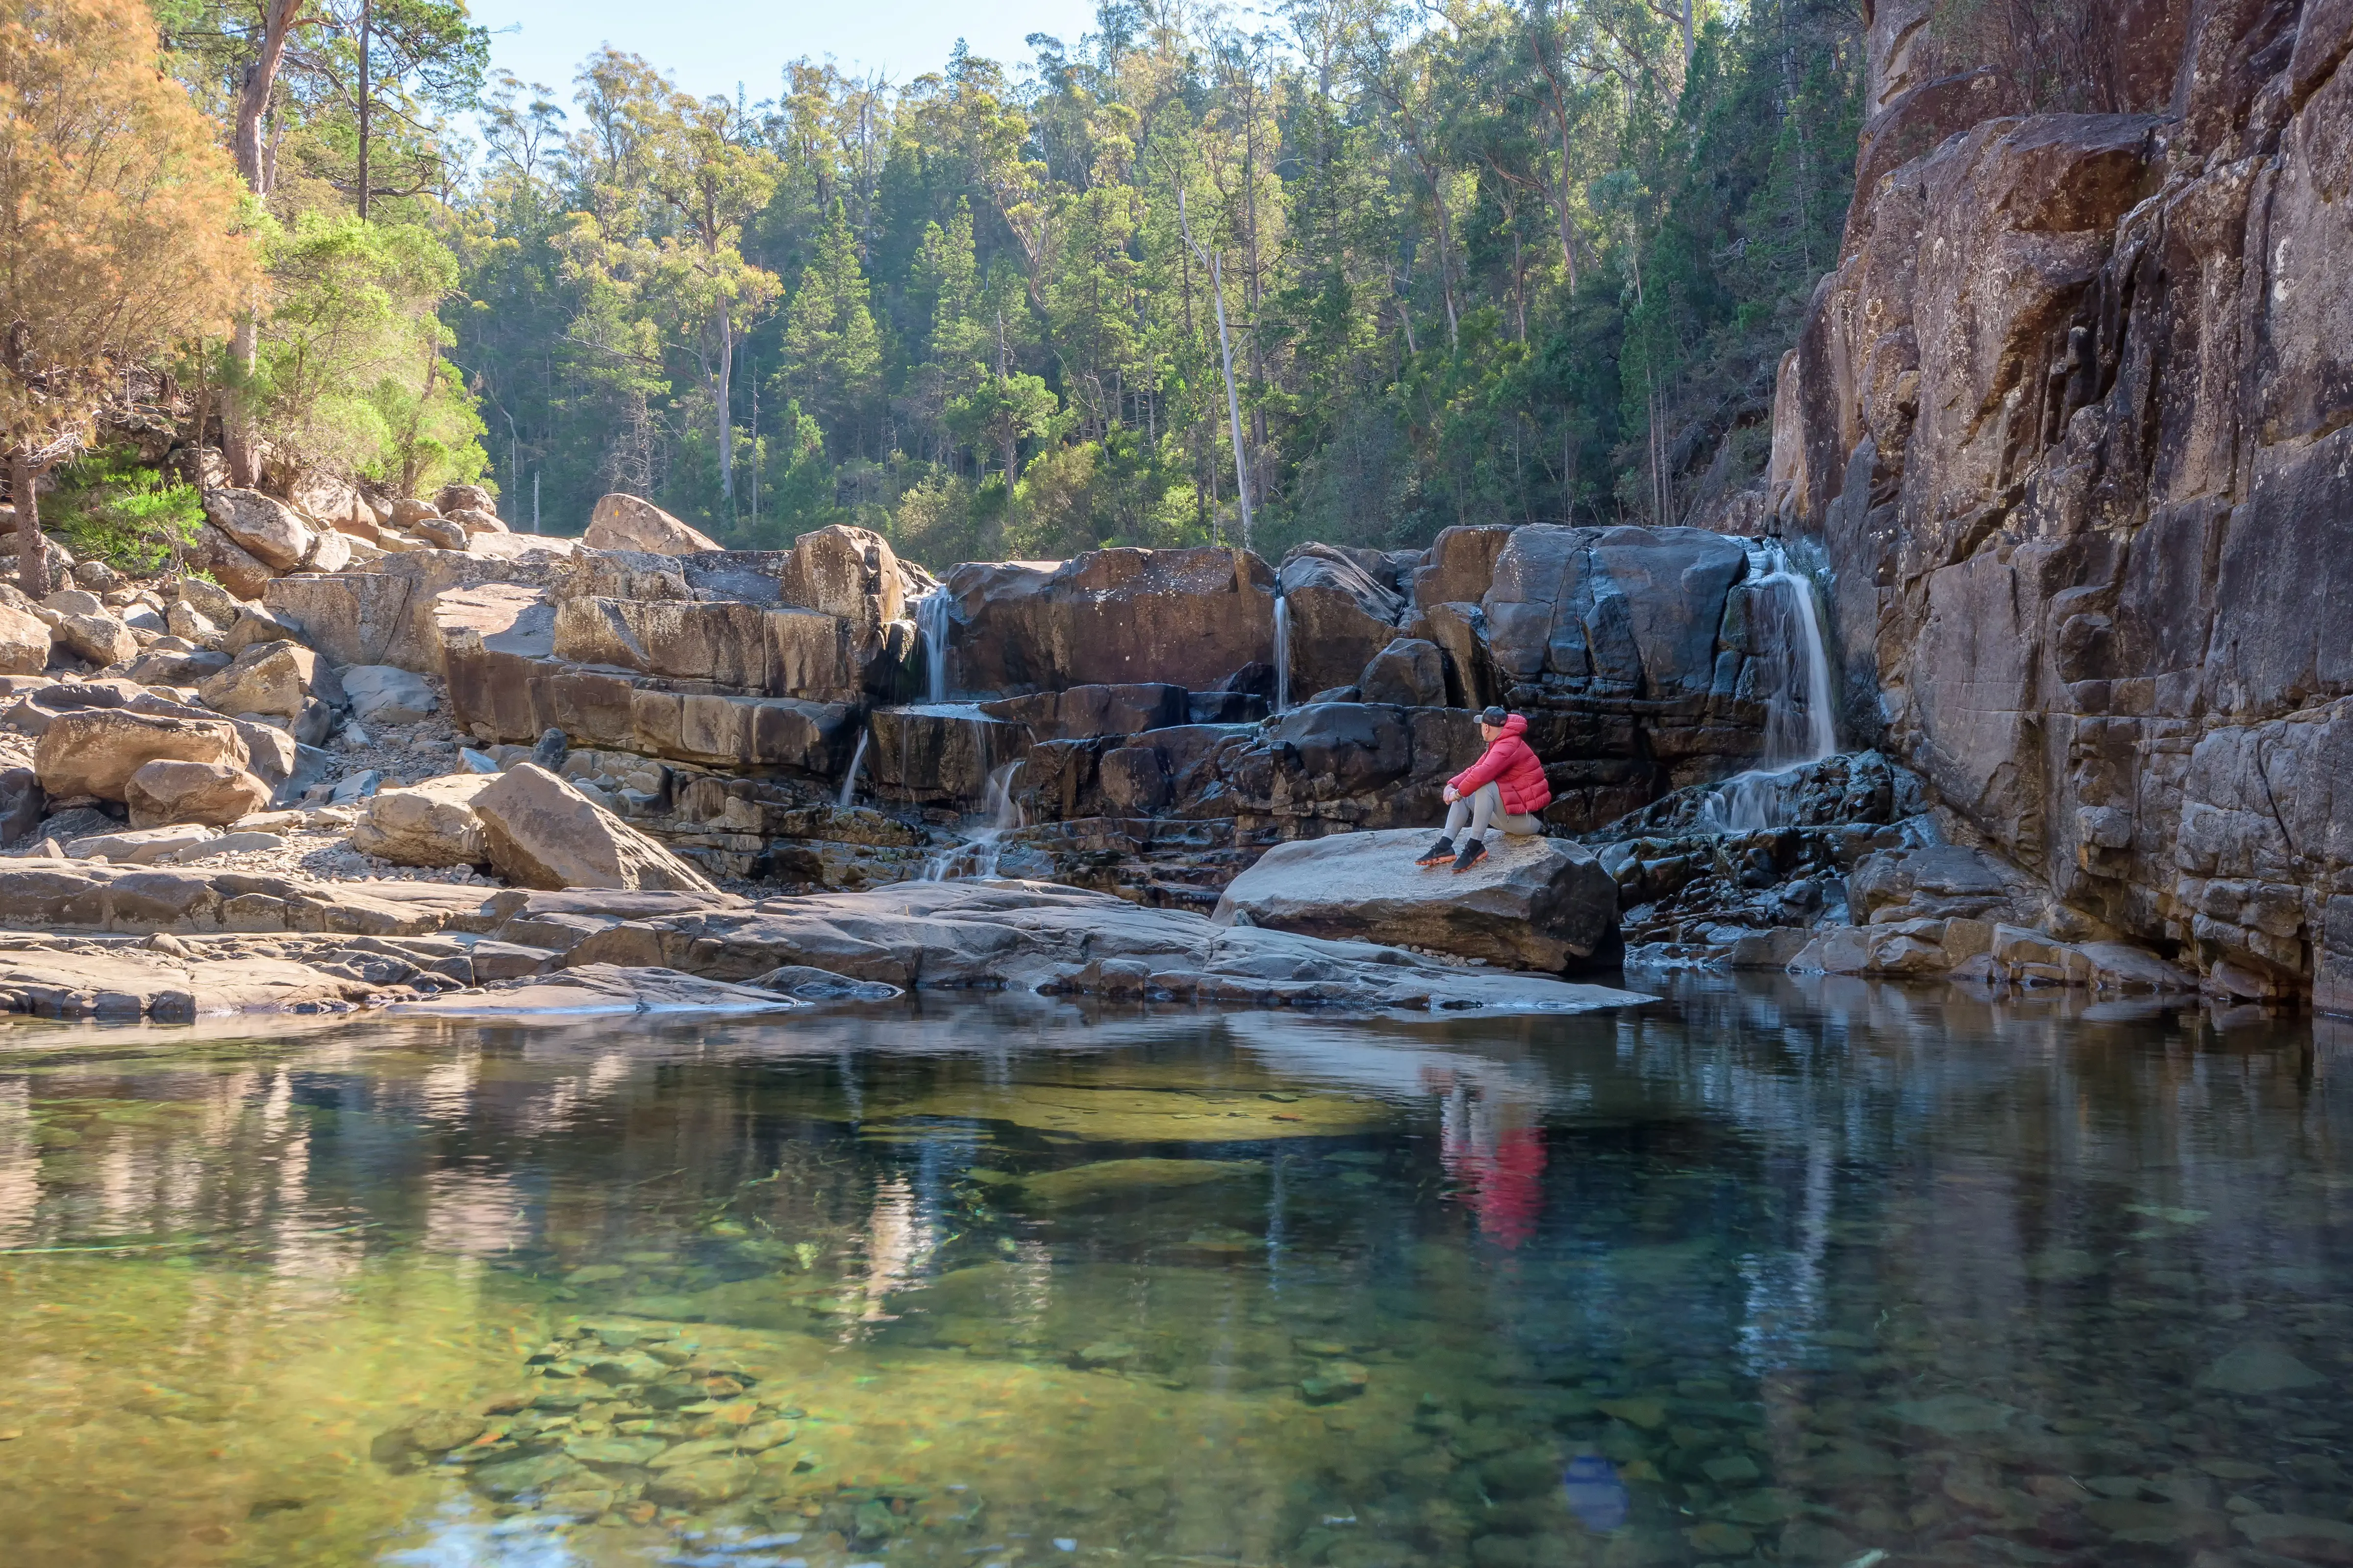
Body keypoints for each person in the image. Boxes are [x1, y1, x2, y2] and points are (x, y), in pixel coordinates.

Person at [1418, 707, 1551, 871]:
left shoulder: (1510, 746)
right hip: (1510, 818)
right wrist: (1452, 785)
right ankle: (1444, 846)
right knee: (1469, 791)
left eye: (1481, 725)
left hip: (1528, 823)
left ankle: (1475, 847)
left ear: (1486, 727)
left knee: (1482, 786)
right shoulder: (1501, 742)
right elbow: (1475, 769)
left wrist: (1457, 794)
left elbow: (1482, 775)